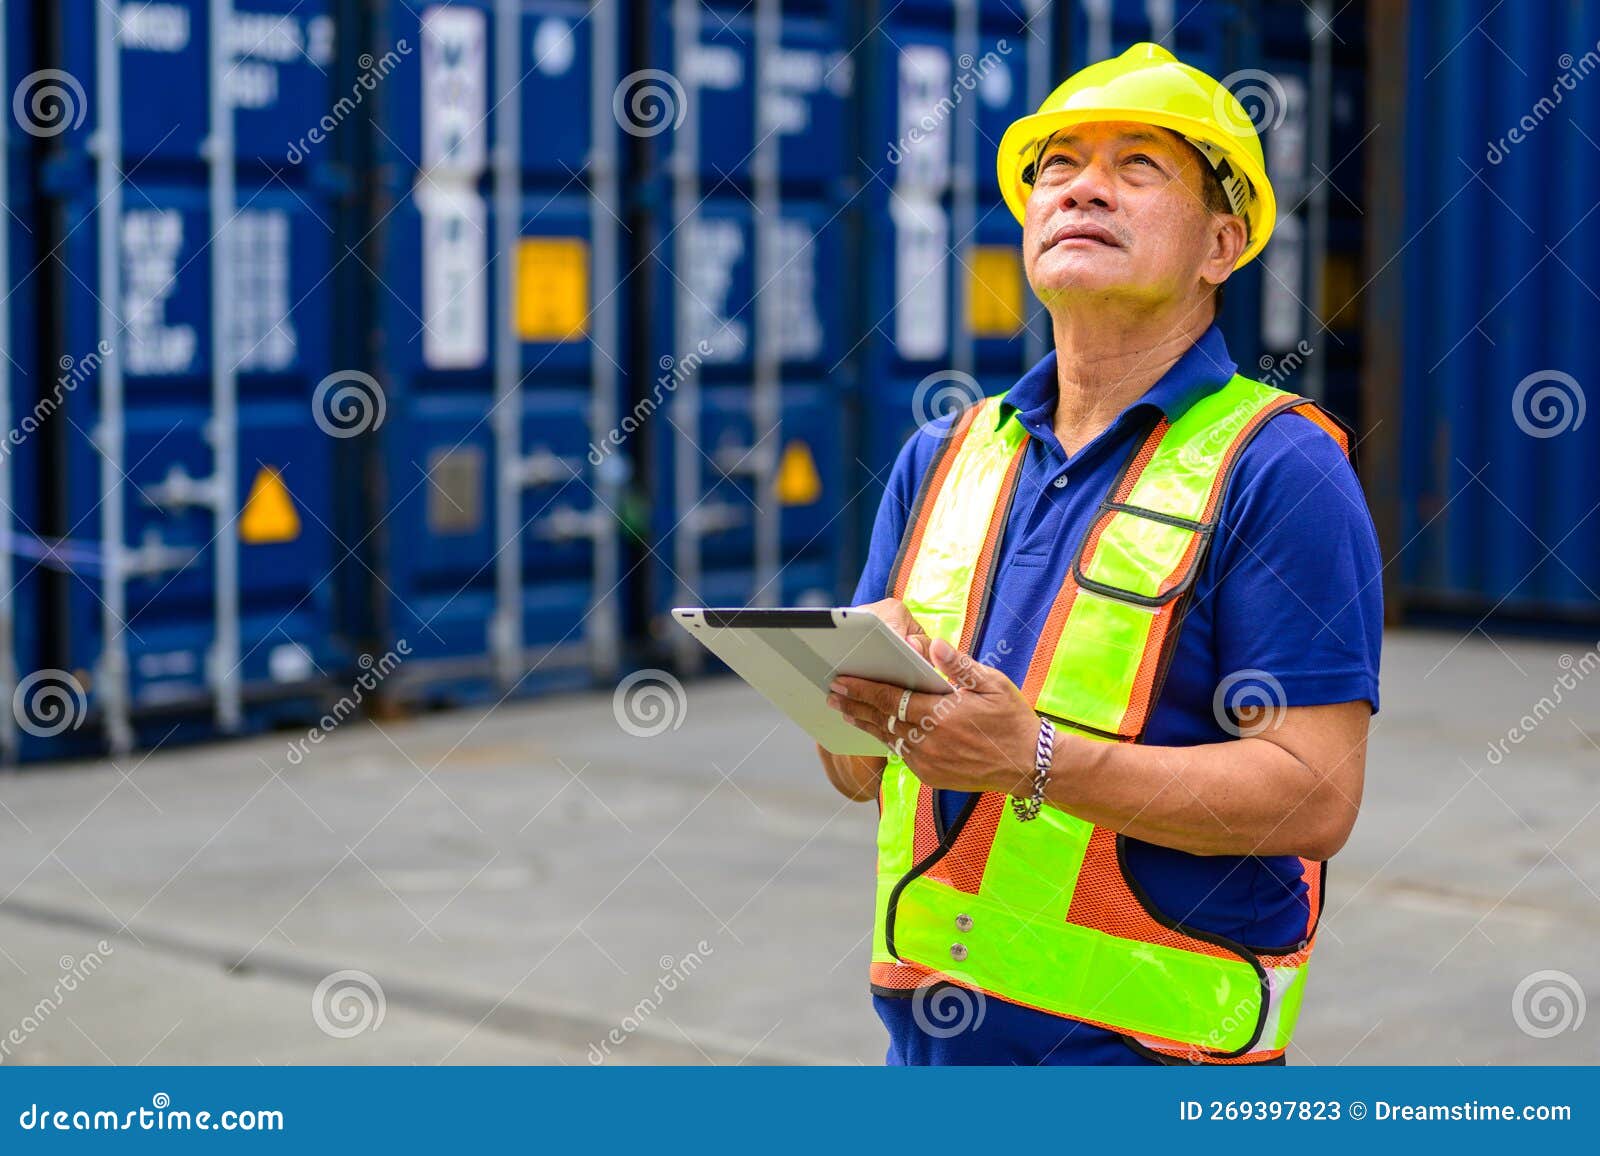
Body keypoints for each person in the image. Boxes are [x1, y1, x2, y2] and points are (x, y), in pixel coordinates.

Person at [819, 43, 1382, 1065]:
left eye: (1138, 167)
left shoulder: (1279, 468)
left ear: (1221, 244)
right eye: (1056, 166)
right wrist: (849, 698)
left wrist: (1033, 759)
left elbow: (1314, 795)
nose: (1083, 187)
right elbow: (857, 772)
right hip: (929, 1048)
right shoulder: (943, 453)